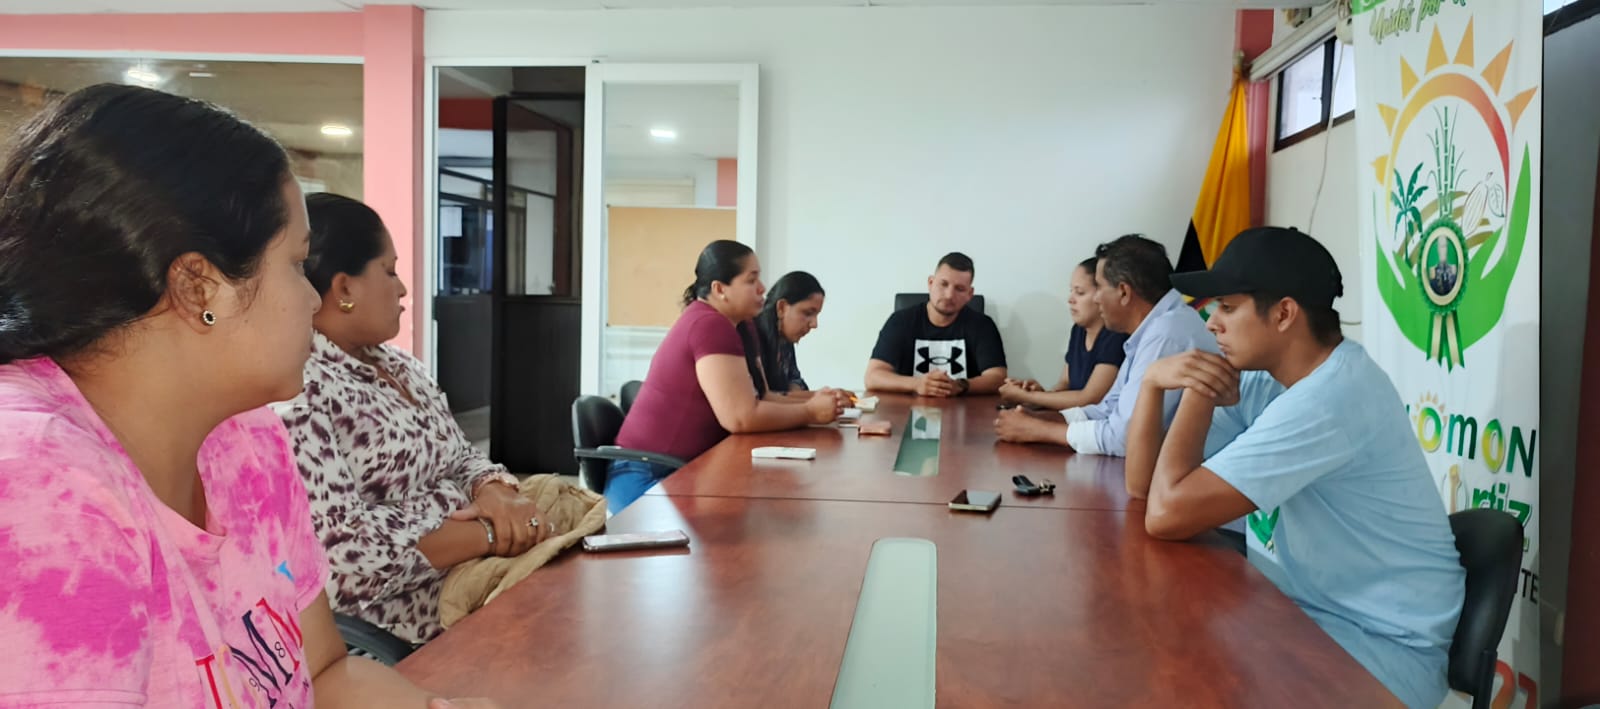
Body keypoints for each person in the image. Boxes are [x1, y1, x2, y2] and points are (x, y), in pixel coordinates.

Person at [0, 84, 494, 707]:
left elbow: (325, 674)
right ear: (199, 287)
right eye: (296, 265)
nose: (311, 300)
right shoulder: (39, 496)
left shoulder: (244, 437)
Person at [1125, 227, 1464, 709]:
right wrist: (1153, 383)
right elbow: (1144, 487)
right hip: (1303, 613)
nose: (1212, 323)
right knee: (1158, 648)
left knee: (1178, 674)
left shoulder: (1331, 397)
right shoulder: (1271, 380)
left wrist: (1199, 385)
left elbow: (1166, 514)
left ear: (1284, 314)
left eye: (1228, 307)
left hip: (1380, 647)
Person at [272, 193, 563, 646]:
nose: (403, 289)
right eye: (389, 271)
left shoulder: (401, 366)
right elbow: (348, 554)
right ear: (344, 288)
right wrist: (490, 532)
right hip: (411, 631)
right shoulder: (300, 389)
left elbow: (462, 456)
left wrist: (494, 493)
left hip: (487, 581)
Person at [607, 241, 847, 513]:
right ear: (720, 289)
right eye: (751, 280)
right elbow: (740, 417)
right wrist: (811, 412)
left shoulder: (740, 326)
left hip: (684, 469)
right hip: (649, 475)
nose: (762, 288)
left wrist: (817, 401)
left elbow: (764, 397)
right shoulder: (709, 325)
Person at [994, 235, 1214, 456]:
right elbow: (1107, 409)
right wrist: (1039, 418)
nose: (1097, 298)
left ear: (1124, 292)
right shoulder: (1150, 329)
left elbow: (1125, 438)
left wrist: (1039, 430)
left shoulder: (1166, 333)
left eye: (1098, 287)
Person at [865, 252, 1007, 396]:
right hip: (907, 408)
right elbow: (872, 377)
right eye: (943, 284)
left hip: (966, 408)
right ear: (931, 283)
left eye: (959, 289)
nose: (949, 295)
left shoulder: (983, 325)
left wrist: (960, 385)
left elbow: (998, 378)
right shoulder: (900, 321)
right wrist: (916, 384)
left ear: (970, 294)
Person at [999, 256, 1128, 410]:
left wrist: (1028, 397)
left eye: (1080, 292)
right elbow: (1065, 384)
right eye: (1071, 291)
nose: (1070, 299)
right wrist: (1039, 394)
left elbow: (1091, 398)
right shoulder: (1079, 330)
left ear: (1102, 294)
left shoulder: (1116, 334)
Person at [753, 271, 825, 398]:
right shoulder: (753, 338)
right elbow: (762, 397)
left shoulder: (784, 339)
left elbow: (795, 381)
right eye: (808, 313)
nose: (814, 324)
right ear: (781, 308)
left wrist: (828, 396)